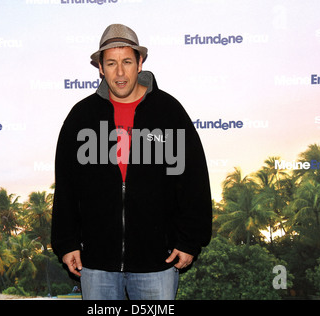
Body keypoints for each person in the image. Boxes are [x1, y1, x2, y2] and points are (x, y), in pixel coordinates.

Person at [51, 24, 212, 300]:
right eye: (111, 63)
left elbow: (193, 180)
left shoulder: (169, 113)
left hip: (157, 264)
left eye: (127, 61)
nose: (120, 72)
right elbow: (66, 187)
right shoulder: (81, 118)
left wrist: (189, 241)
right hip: (97, 264)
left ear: (140, 63)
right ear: (100, 68)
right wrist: (66, 243)